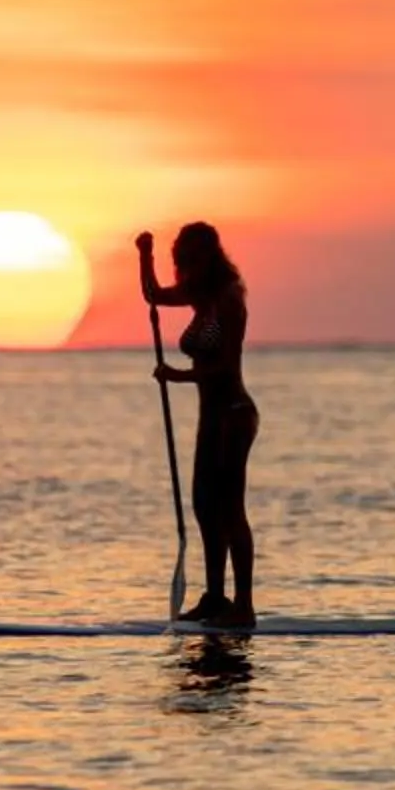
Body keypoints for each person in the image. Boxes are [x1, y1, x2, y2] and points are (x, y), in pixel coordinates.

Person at [139, 221, 259, 628]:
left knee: (229, 509)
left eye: (189, 261)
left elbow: (225, 367)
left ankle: (243, 606)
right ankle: (214, 598)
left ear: (208, 257)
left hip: (234, 415)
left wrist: (176, 376)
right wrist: (144, 256)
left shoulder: (229, 299)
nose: (184, 270)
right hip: (210, 421)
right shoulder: (199, 295)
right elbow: (153, 295)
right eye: (179, 262)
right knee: (205, 508)